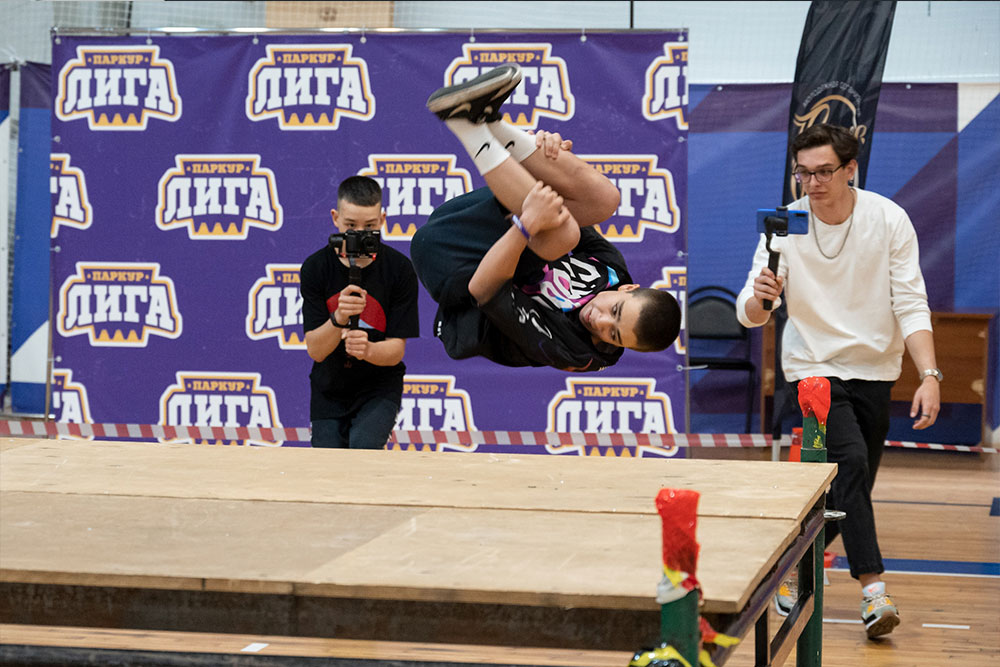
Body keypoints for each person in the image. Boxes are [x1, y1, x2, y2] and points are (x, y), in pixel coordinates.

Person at [736, 123, 940, 639]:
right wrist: (761, 297)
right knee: (849, 464)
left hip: (875, 370)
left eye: (824, 171)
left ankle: (786, 569)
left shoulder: (888, 219)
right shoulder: (785, 224)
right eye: (803, 173)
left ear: (851, 169)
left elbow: (910, 302)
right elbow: (751, 314)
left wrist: (930, 374)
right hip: (811, 369)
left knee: (850, 489)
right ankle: (874, 592)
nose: (813, 183)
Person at [411, 64, 681, 372]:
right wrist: (545, 158)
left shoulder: (576, 351)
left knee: (562, 235)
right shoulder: (611, 272)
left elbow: (484, 290)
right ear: (627, 290)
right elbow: (566, 207)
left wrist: (525, 226)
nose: (600, 321)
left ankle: (466, 125)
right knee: (605, 200)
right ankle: (494, 125)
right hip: (466, 220)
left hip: (452, 266)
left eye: (614, 335)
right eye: (615, 311)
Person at [300, 176, 420, 449]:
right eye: (351, 225)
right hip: (329, 387)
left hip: (379, 387)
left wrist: (368, 350)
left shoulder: (400, 269)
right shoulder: (316, 268)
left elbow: (396, 351)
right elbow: (316, 350)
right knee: (327, 462)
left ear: (383, 220)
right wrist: (338, 319)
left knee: (363, 449)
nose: (360, 234)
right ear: (335, 218)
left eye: (370, 226)